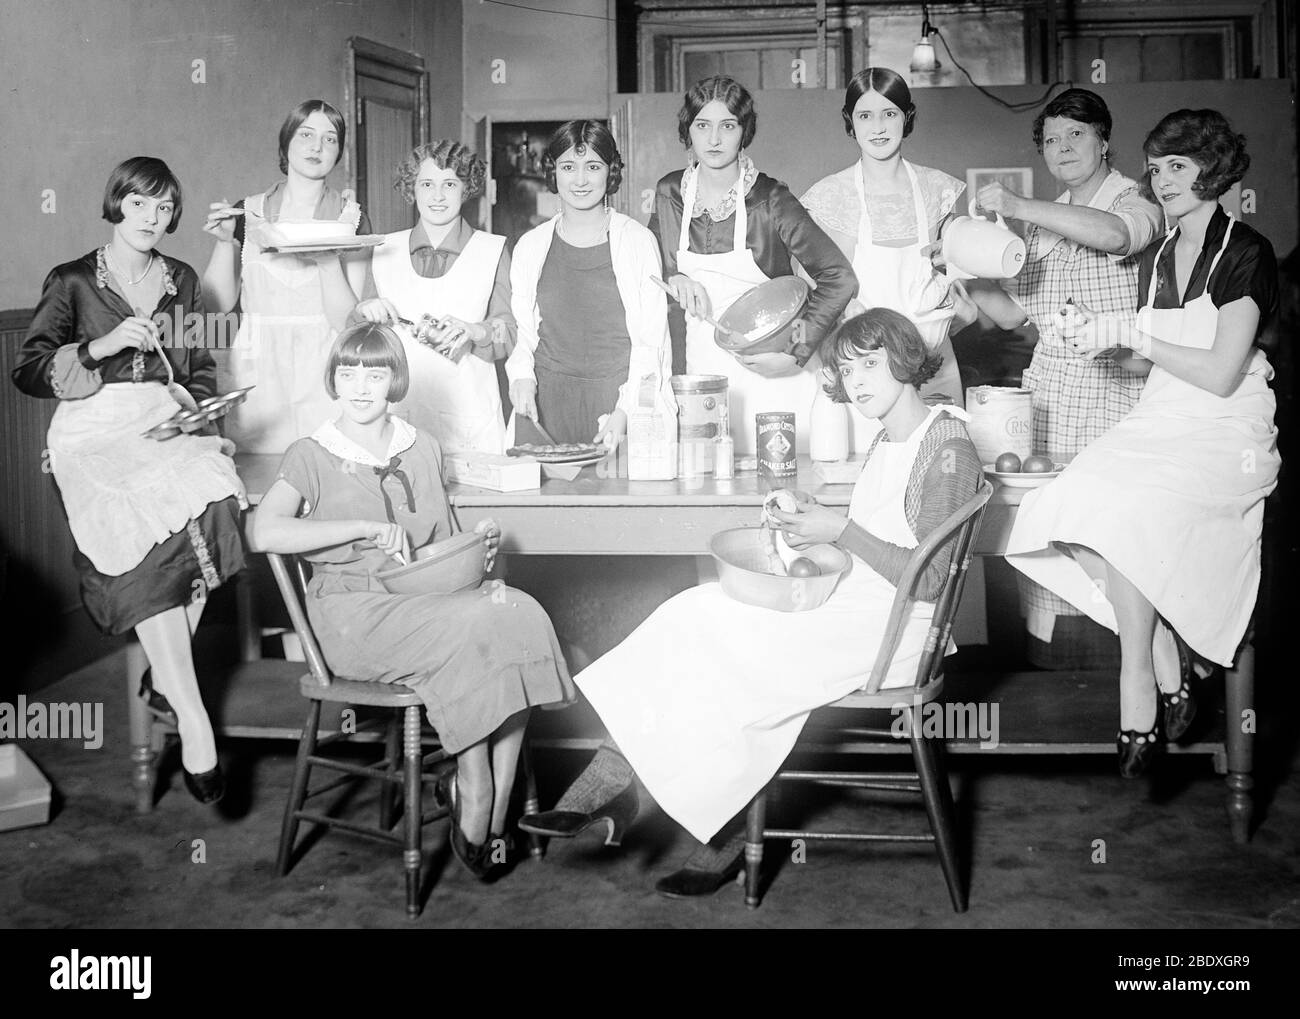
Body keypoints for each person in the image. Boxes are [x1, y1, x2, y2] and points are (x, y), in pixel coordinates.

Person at [519, 309, 983, 897]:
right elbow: (860, 552)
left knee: (723, 652)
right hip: (861, 605)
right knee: (692, 611)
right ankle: (632, 791)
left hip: (897, 631)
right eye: (848, 368)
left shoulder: (946, 444)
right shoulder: (889, 439)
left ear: (907, 359)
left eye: (871, 363)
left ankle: (645, 799)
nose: (859, 380)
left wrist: (837, 531)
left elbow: (931, 581)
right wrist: (805, 531)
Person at [1005, 109, 1279, 777]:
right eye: (1155, 169)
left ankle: (1138, 681)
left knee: (1129, 512)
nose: (1163, 181)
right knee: (1067, 503)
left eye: (1179, 167)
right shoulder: (1157, 256)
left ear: (1213, 170)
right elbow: (1154, 365)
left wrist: (1128, 334)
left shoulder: (1247, 251)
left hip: (1225, 426)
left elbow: (1217, 372)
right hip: (1160, 415)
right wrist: (1094, 337)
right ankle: (1159, 655)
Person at [251, 323, 574, 878]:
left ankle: (496, 800)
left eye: (374, 373)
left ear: (394, 380)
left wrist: (479, 544)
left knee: (517, 610)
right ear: (333, 378)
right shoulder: (310, 453)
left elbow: (440, 551)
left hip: (425, 602)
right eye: (347, 372)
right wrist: (362, 527)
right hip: (352, 613)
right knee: (473, 627)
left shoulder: (420, 446)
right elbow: (264, 532)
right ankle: (474, 784)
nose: (359, 386)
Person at [12, 157, 246, 804]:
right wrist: (102, 345)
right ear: (117, 204)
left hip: (162, 420)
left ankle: (165, 682)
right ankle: (193, 717)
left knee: (222, 492)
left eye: (165, 208)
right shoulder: (75, 280)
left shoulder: (182, 280)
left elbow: (198, 362)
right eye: (140, 204)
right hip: (92, 432)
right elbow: (28, 370)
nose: (153, 218)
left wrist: (194, 412)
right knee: (135, 537)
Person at [961, 87, 1164, 649]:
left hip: (1119, 389)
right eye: (1050, 139)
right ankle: (1061, 656)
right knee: (1048, 531)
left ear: (1105, 141)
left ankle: (1147, 659)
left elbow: (1116, 236)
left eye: (1076, 133)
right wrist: (964, 270)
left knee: (1109, 528)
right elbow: (1011, 315)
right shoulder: (1041, 227)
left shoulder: (1140, 199)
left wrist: (1018, 204)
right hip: (1052, 398)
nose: (1062, 147)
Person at [649, 75, 856, 455]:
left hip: (775, 377)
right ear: (688, 131)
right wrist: (672, 276)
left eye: (727, 126)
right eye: (702, 125)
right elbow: (645, 270)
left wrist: (796, 352)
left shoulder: (770, 198)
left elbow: (839, 278)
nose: (714, 139)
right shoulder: (670, 194)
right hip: (704, 378)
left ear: (744, 132)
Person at [202, 99, 371, 454]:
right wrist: (225, 242)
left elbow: (348, 324)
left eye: (330, 139)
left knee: (325, 467)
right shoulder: (248, 212)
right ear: (286, 143)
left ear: (339, 151)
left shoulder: (351, 220)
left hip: (324, 367)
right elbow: (216, 304)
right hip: (258, 368)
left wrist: (327, 261)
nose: (316, 147)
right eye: (305, 135)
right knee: (255, 477)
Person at [801, 67, 970, 407]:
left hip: (934, 365)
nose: (878, 127)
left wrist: (960, 304)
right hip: (863, 368)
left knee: (937, 453)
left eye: (889, 114)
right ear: (850, 121)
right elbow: (811, 290)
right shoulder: (832, 195)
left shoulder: (937, 189)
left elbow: (953, 276)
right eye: (865, 115)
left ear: (906, 118)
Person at [505, 120, 673, 448]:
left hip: (618, 405)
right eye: (569, 166)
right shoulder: (530, 245)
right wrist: (521, 376)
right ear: (553, 172)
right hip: (545, 405)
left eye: (592, 166)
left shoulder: (637, 241)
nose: (580, 180)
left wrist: (625, 411)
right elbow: (523, 334)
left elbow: (652, 342)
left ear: (610, 173)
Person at [351, 140, 512, 454]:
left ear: (467, 188)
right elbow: (357, 337)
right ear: (412, 188)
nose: (437, 196)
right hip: (398, 417)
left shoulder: (492, 250)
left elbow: (510, 333)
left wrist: (475, 331)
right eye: (427, 184)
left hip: (471, 420)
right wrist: (364, 311)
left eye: (449, 184)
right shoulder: (384, 249)